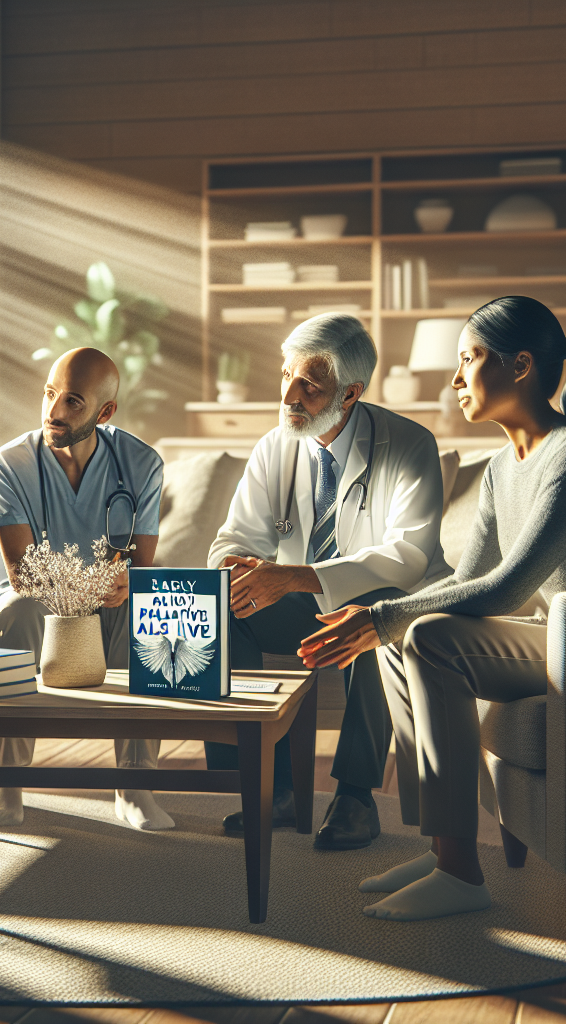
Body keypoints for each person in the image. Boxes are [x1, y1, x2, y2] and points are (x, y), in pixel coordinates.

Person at [299, 296, 566, 921]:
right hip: (553, 641)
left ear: (520, 366)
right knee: (402, 635)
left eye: (468, 360)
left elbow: (507, 588)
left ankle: (462, 876)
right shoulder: (499, 468)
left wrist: (380, 616)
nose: (455, 378)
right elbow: (471, 580)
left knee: (423, 634)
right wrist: (383, 621)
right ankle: (443, 850)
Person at [207, 313, 450, 849]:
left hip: (396, 607)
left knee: (376, 612)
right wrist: (236, 568)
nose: (289, 395)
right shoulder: (276, 445)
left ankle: (355, 797)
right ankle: (268, 785)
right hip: (303, 603)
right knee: (218, 605)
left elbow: (408, 557)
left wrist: (294, 575)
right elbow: (233, 538)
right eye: (286, 375)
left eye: (309, 386)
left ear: (350, 393)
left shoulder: (409, 444)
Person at [0, 347, 172, 831]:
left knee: (147, 606)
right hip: (34, 601)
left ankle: (135, 785)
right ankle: (7, 781)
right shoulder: (11, 463)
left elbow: (138, 567)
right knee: (19, 608)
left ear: (105, 413)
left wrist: (123, 585)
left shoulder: (141, 463)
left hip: (110, 601)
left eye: (73, 402)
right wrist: (89, 586)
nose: (54, 412)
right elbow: (24, 573)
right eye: (49, 394)